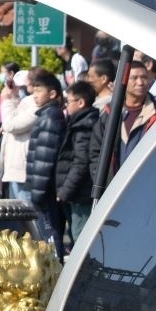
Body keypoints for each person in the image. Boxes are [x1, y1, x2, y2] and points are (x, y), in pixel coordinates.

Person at [89, 60, 156, 192]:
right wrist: (103, 184)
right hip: (112, 191)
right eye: (134, 78)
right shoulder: (110, 114)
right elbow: (96, 153)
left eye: (144, 77)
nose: (140, 82)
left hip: (147, 189)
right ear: (123, 81)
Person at [25, 70, 68, 258]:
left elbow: (45, 159)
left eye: (39, 91)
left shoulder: (51, 117)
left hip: (46, 191)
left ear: (52, 94)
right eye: (33, 91)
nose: (35, 95)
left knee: (51, 235)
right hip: (45, 191)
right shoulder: (47, 115)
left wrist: (38, 194)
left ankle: (56, 277)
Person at [55, 81, 100, 243]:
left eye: (68, 101)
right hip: (79, 193)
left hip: (82, 194)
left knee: (81, 236)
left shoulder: (84, 127)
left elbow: (81, 163)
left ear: (81, 103)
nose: (66, 105)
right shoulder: (81, 121)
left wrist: (65, 191)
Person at [0, 68, 42, 202]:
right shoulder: (26, 101)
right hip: (14, 168)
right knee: (18, 213)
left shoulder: (37, 104)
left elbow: (10, 125)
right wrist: (13, 97)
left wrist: (6, 100)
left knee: (27, 215)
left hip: (23, 169)